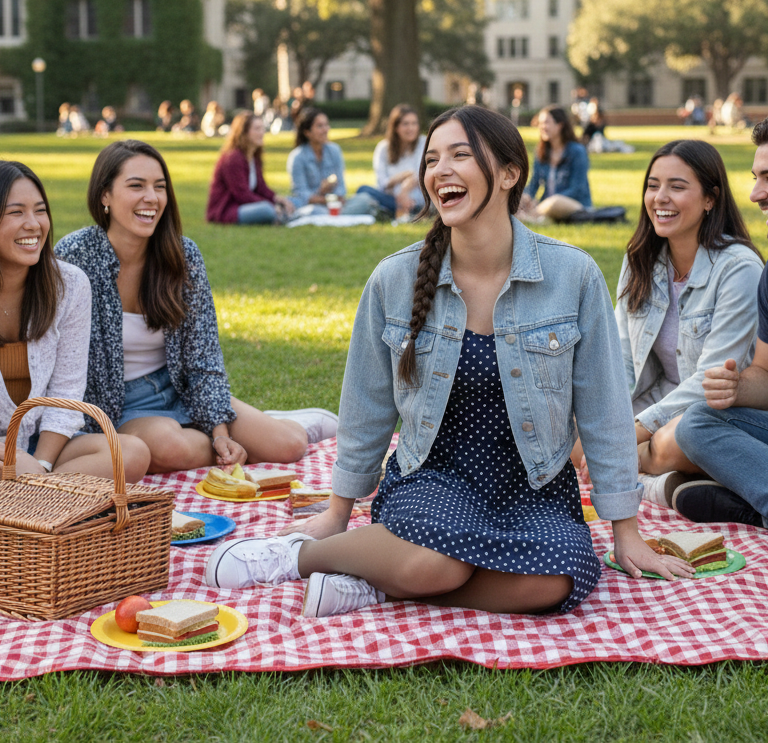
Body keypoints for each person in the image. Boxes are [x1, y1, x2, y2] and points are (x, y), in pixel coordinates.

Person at [203, 106, 693, 618]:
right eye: (432, 159)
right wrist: (336, 512)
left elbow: (605, 408)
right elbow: (367, 405)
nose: (440, 170)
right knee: (438, 561)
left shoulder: (574, 275)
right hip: (433, 478)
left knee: (560, 576)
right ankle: (302, 556)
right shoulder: (394, 279)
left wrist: (626, 530)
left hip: (533, 484)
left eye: (461, 155)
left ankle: (379, 584)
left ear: (508, 173)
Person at [54, 140, 338, 474]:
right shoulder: (75, 256)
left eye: (159, 187)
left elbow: (203, 356)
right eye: (136, 186)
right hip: (118, 405)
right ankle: (213, 434)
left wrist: (219, 433)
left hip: (179, 386)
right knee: (170, 446)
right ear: (105, 195)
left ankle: (272, 424)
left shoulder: (183, 255)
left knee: (289, 447)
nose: (152, 198)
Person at [604, 140, 763, 507]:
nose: (660, 197)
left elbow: (713, 377)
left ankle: (648, 481)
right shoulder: (639, 260)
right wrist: (610, 421)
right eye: (653, 185)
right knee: (576, 432)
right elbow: (622, 359)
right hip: (660, 397)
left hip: (717, 411)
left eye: (677, 187)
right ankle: (667, 480)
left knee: (678, 439)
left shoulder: (738, 268)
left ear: (710, 199)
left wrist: (637, 432)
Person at [0, 161, 150, 482]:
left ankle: (33, 497)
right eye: (16, 213)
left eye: (40, 211)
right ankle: (49, 500)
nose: (34, 224)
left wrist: (40, 465)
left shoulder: (68, 285)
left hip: (41, 446)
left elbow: (66, 392)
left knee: (132, 454)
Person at [673, 118, 768, 526]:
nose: (755, 193)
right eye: (755, 177)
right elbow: (764, 374)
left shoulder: (740, 267)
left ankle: (747, 503)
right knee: (698, 422)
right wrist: (738, 386)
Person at [206, 112, 295, 226]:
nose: (262, 133)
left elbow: (262, 188)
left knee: (291, 201)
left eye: (262, 128)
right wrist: (272, 205)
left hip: (246, 205)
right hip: (227, 210)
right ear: (243, 132)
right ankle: (280, 215)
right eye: (257, 129)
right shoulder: (233, 158)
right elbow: (242, 195)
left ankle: (283, 214)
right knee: (267, 210)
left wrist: (279, 199)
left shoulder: (253, 156)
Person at [287, 108, 375, 216]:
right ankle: (337, 215)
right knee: (310, 210)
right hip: (312, 206)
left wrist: (334, 198)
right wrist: (321, 192)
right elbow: (301, 194)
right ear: (307, 132)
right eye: (320, 126)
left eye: (326, 125)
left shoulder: (334, 150)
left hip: (335, 205)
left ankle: (336, 215)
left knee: (364, 199)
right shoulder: (297, 157)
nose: (325, 130)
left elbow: (341, 188)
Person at [516, 105, 591, 222]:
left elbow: (577, 189)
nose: (542, 127)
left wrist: (548, 202)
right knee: (519, 200)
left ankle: (533, 216)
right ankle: (534, 216)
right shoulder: (541, 152)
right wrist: (526, 197)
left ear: (560, 125)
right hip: (545, 206)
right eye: (540, 123)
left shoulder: (577, 151)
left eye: (546, 123)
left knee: (555, 202)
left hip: (573, 204)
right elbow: (534, 184)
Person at [355, 105, 426, 220]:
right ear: (396, 127)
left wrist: (404, 192)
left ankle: (397, 211)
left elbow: (420, 174)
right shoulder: (383, 148)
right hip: (391, 198)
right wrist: (401, 177)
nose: (411, 128)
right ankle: (396, 211)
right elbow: (382, 183)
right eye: (406, 124)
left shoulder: (423, 143)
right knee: (363, 190)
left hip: (416, 199)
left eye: (414, 123)